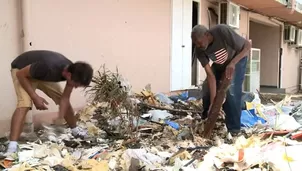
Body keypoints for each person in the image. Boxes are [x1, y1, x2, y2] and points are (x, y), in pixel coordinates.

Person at [7, 50, 93, 154]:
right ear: (69, 75)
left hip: (38, 74)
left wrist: (60, 117)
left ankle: (75, 131)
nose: (75, 87)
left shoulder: (72, 70)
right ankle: (12, 147)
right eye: (76, 84)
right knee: (24, 104)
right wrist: (35, 97)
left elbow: (65, 98)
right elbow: (20, 75)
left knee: (60, 96)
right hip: (21, 71)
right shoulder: (48, 67)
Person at [191, 24, 251, 134]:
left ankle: (234, 129)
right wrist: (213, 103)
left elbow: (247, 46)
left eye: (199, 42)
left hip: (238, 59)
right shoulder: (199, 50)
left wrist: (232, 63)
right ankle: (207, 119)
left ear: (207, 35)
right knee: (206, 87)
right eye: (195, 44)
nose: (198, 45)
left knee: (231, 90)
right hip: (221, 64)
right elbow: (210, 75)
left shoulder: (221, 31)